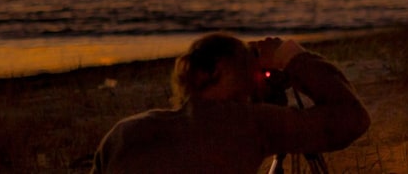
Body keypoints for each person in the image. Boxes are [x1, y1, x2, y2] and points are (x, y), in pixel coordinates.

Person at [91, 32, 370, 173]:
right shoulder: (246, 123)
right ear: (211, 72)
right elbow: (351, 118)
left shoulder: (122, 135)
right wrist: (290, 56)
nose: (252, 74)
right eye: (245, 65)